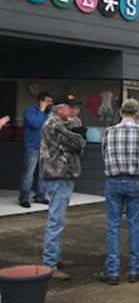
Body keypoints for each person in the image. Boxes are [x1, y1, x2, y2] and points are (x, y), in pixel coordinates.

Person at [99, 98, 139, 285]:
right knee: (135, 225)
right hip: (136, 180)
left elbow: (104, 154)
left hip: (113, 180)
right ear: (137, 113)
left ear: (121, 112)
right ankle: (135, 270)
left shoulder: (109, 131)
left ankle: (112, 272)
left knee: (113, 226)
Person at [40, 98, 86, 280]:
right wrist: (79, 134)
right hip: (58, 175)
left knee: (58, 220)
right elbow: (77, 143)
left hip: (61, 175)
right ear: (59, 109)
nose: (73, 111)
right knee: (56, 221)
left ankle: (56, 259)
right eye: (69, 108)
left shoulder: (58, 123)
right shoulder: (55, 124)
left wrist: (75, 131)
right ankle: (50, 265)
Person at [19, 91, 53, 209]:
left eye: (51, 101)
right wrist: (42, 111)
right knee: (29, 173)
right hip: (32, 146)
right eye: (47, 101)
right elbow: (34, 124)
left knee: (42, 174)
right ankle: (24, 198)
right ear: (40, 101)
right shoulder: (30, 111)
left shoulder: (49, 113)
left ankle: (40, 196)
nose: (50, 103)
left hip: (45, 147)